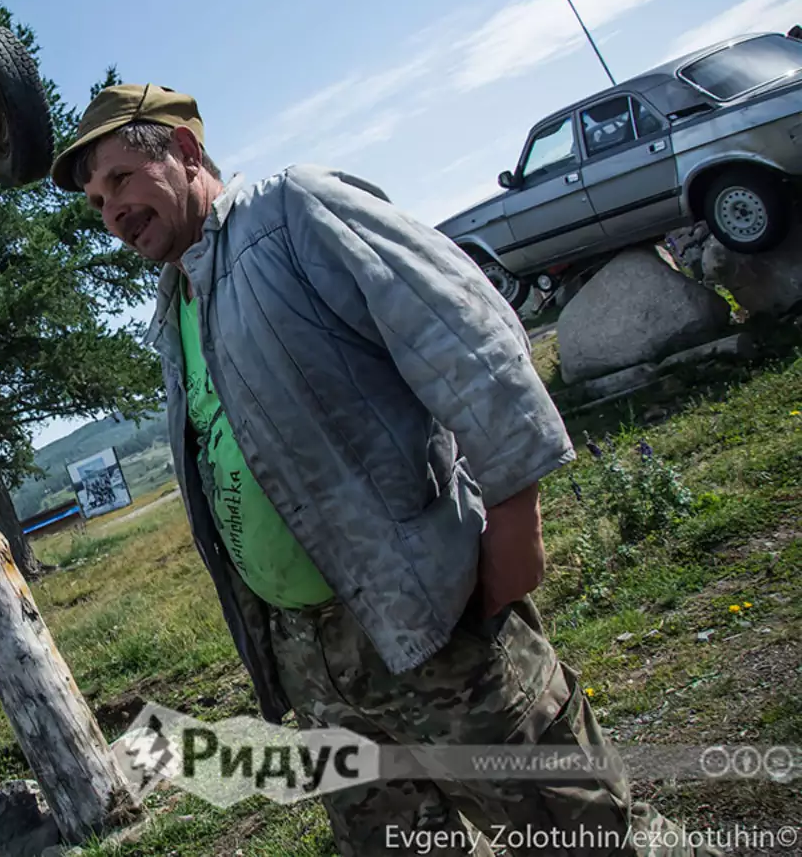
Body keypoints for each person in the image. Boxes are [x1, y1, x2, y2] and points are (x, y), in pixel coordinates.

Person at [51, 84, 715, 856]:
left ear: (188, 152)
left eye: (122, 179)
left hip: (430, 620)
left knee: (583, 836)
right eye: (97, 202)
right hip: (315, 663)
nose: (113, 212)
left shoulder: (293, 214)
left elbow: (461, 328)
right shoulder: (178, 304)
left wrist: (513, 517)